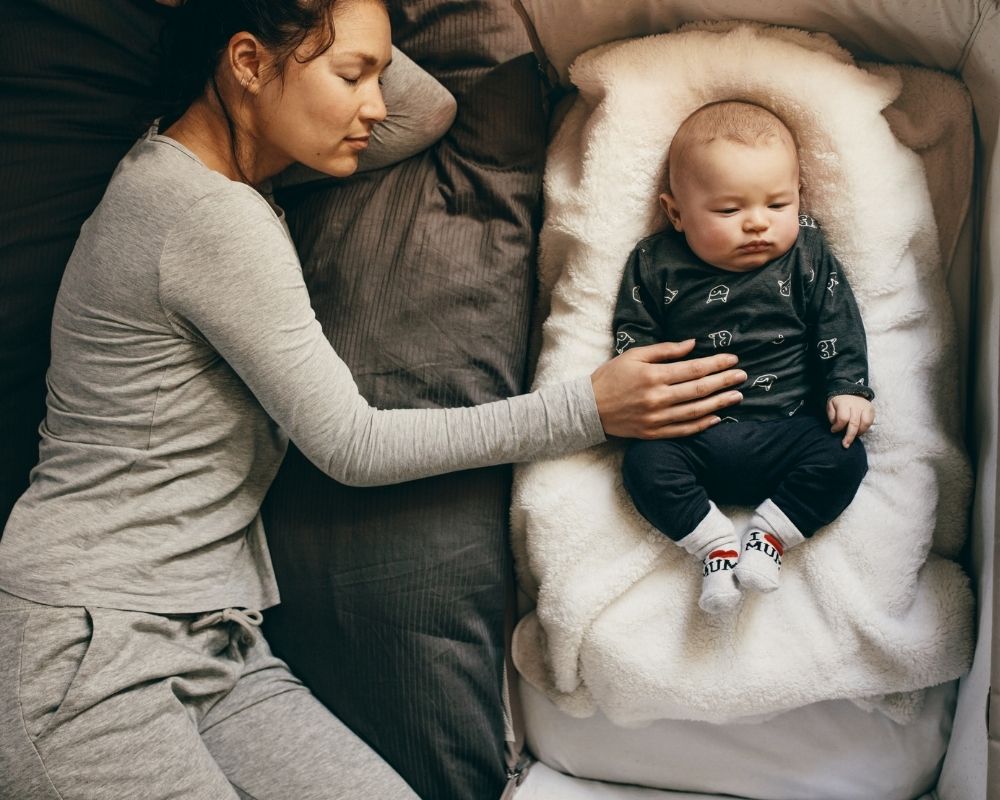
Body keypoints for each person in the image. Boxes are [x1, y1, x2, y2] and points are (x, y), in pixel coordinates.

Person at [0, 2, 747, 797]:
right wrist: (587, 411)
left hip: (212, 643)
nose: (376, 102)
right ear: (247, 63)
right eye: (352, 75)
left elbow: (428, 111)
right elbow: (353, 446)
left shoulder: (215, 170)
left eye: (375, 70)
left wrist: (349, 39)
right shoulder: (203, 215)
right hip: (88, 646)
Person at [613, 100, 875, 615]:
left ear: (798, 197)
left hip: (791, 427)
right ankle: (713, 544)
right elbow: (634, 335)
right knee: (642, 467)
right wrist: (643, 402)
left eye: (778, 206)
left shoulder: (808, 253)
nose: (757, 224)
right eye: (729, 211)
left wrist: (848, 387)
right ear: (676, 213)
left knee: (846, 456)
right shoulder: (655, 261)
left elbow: (837, 320)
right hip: (691, 432)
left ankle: (769, 538)